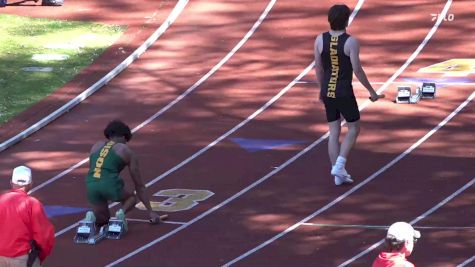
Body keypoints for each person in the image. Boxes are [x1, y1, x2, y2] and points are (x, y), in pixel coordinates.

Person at [314, 4, 385, 186]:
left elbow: (319, 69)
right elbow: (358, 70)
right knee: (353, 129)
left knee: (334, 132)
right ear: (346, 20)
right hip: (344, 91)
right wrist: (372, 92)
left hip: (328, 91)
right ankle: (339, 165)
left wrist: (321, 90)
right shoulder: (351, 42)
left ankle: (338, 175)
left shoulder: (319, 40)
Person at [84, 119, 166, 232]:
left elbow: (95, 169)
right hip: (110, 184)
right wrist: (150, 212)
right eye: (126, 140)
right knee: (131, 197)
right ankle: (121, 213)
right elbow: (139, 186)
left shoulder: (96, 146)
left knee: (103, 220)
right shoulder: (126, 150)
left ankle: (92, 216)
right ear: (123, 136)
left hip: (91, 184)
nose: (125, 143)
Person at [0, 166, 55, 267]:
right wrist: (39, 257)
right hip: (23, 258)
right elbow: (44, 236)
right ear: (30, 184)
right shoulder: (33, 204)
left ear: (11, 183)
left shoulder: (1, 200)